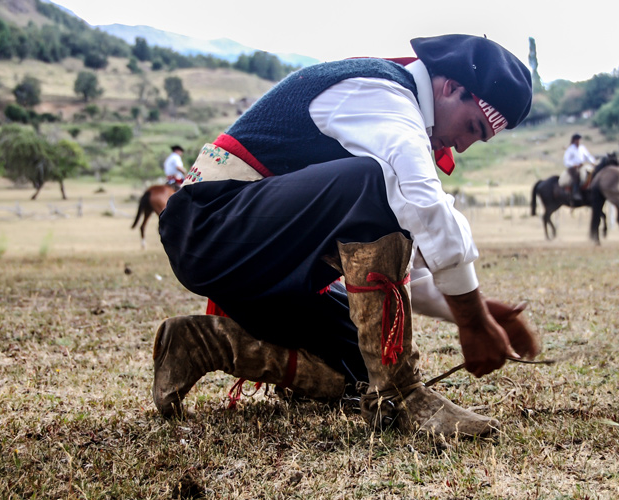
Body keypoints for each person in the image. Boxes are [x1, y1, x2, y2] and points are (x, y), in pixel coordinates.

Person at [153, 34, 541, 438]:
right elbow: (417, 200)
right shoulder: (382, 91)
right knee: (380, 183)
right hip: (209, 230)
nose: (462, 145)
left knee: (361, 367)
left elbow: (387, 265)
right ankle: (400, 394)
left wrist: (471, 308)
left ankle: (202, 342)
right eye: (472, 127)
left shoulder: (396, 113)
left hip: (268, 263)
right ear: (451, 88)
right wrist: (472, 322)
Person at [562, 133, 596, 203]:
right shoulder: (570, 149)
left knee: (591, 172)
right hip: (573, 167)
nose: (578, 141)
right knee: (577, 174)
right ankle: (575, 192)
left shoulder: (582, 148)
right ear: (574, 140)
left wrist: (593, 162)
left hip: (582, 166)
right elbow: (566, 160)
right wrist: (573, 164)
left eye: (579, 140)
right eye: (577, 140)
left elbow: (588, 156)